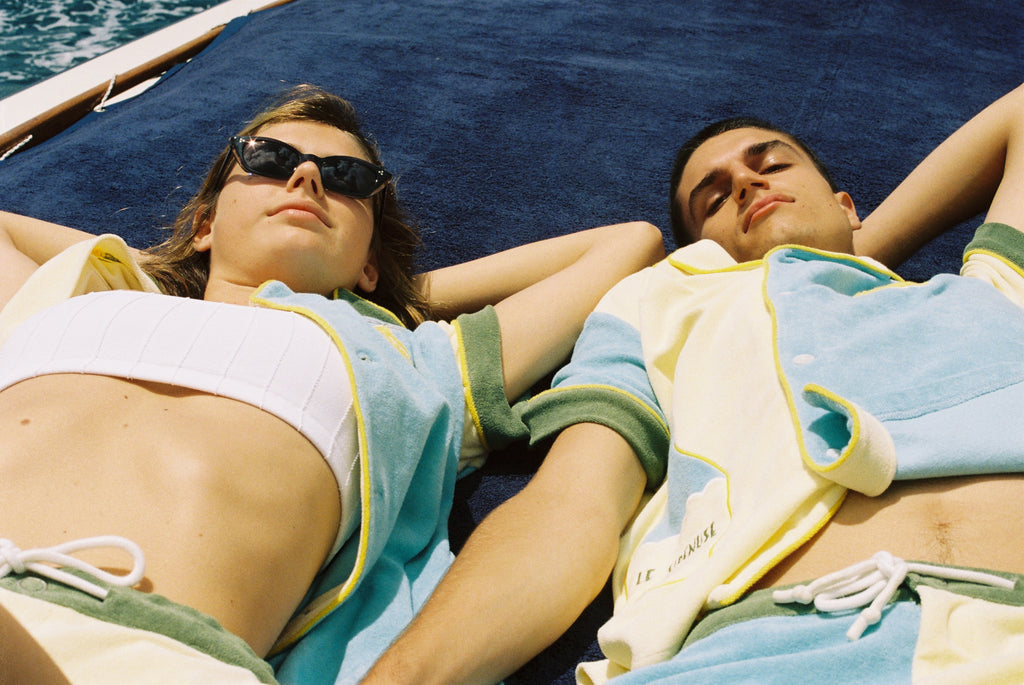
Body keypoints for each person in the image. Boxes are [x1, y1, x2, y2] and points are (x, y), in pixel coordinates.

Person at [0, 84, 665, 684]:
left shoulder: (404, 361)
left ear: (370, 258)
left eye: (349, 179)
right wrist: (170, 268)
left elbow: (626, 243)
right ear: (205, 221)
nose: (309, 175)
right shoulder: (72, 295)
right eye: (266, 160)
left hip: (142, 654)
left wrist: (390, 292)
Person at [364, 83, 1024, 684]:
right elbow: (570, 505)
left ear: (849, 204)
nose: (743, 181)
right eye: (713, 196)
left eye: (772, 164)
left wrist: (840, 254)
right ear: (695, 253)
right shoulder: (660, 308)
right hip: (771, 654)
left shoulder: (990, 295)